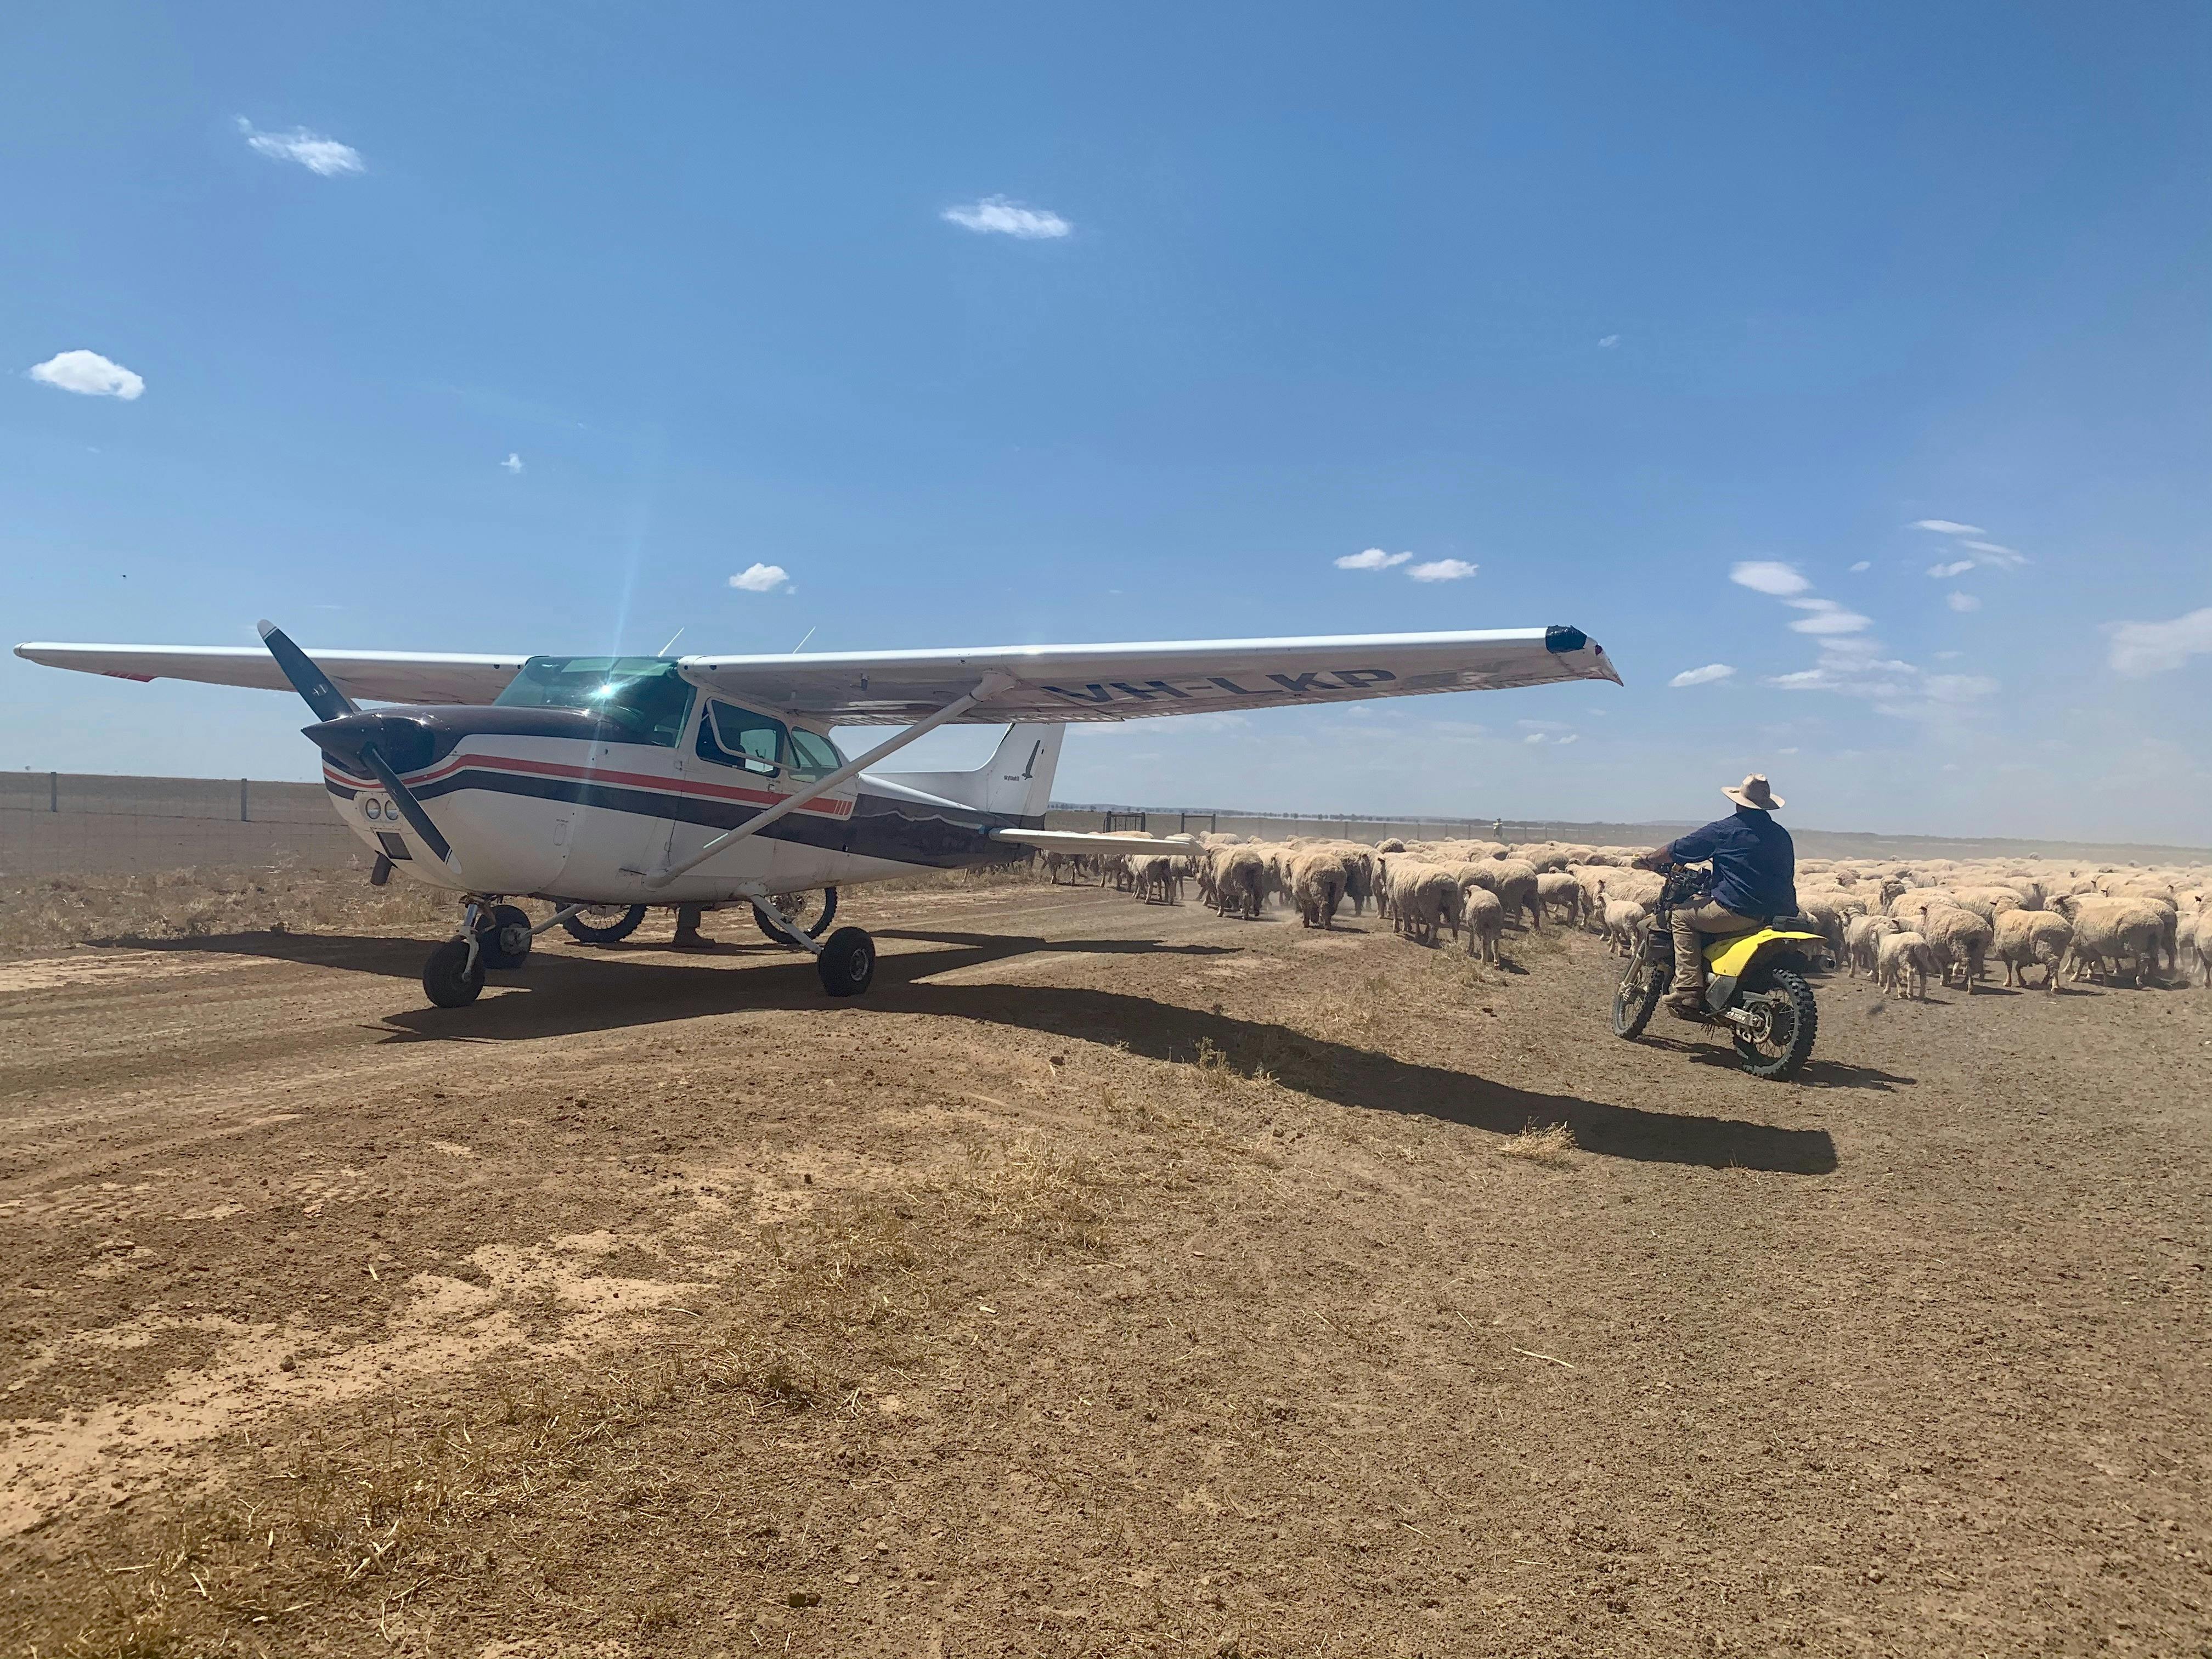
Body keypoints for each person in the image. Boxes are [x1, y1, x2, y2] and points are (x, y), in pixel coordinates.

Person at [1635, 774, 1797, 1016]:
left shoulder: (1726, 830)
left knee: (1681, 917)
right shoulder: (1781, 834)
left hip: (1739, 909)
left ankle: (1688, 989)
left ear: (1739, 802)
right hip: (1777, 912)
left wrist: (1649, 860)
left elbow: (1680, 848)